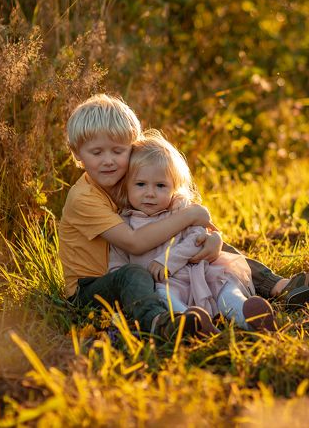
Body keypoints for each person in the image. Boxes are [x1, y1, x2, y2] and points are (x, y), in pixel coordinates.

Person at [59, 94, 309, 340]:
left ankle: (283, 288)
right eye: (96, 152)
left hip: (143, 263)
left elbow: (177, 217)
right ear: (77, 154)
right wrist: (192, 214)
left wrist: (209, 239)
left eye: (118, 151)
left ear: (132, 151)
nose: (108, 160)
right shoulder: (84, 197)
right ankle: (163, 324)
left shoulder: (128, 179)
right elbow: (134, 242)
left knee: (211, 252)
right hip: (93, 287)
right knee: (132, 276)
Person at [108, 130, 276, 332]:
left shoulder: (180, 210)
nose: (150, 193)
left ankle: (247, 316)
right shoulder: (123, 223)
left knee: (225, 287)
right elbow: (118, 266)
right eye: (141, 184)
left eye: (161, 185)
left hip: (199, 274)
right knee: (164, 296)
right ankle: (191, 322)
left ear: (174, 187)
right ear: (127, 186)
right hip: (164, 285)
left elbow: (196, 238)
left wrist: (168, 261)